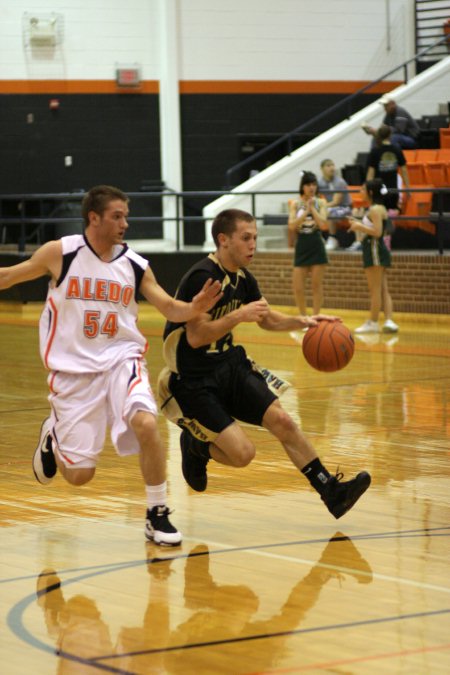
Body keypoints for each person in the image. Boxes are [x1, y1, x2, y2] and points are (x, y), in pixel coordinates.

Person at [0, 185, 223, 546]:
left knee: (146, 423)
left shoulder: (134, 265)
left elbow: (169, 308)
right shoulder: (62, 253)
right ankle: (52, 433)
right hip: (73, 372)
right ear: (94, 218)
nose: (125, 224)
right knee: (79, 476)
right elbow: (9, 276)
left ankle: (157, 514)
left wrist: (193, 309)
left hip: (122, 359)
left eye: (126, 216)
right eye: (117, 216)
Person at [157, 208, 371, 521]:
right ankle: (197, 447)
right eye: (246, 238)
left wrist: (307, 322)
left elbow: (267, 319)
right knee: (243, 454)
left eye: (255, 237)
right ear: (223, 240)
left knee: (283, 421)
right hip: (192, 379)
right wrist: (237, 316)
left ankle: (331, 491)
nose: (252, 244)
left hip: (228, 365)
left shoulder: (243, 279)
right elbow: (196, 337)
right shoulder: (203, 278)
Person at [347, 179, 399, 334]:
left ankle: (373, 322)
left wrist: (358, 226)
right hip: (375, 248)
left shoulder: (375, 209)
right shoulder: (378, 208)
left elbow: (377, 232)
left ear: (370, 192)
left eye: (362, 189)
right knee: (383, 288)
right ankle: (389, 320)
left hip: (374, 248)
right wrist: (359, 223)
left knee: (375, 289)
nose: (360, 192)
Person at [287, 171, 329, 315]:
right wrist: (305, 212)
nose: (311, 188)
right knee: (298, 287)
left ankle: (316, 316)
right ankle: (303, 316)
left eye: (314, 185)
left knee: (316, 285)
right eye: (308, 185)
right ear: (302, 187)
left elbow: (323, 225)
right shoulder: (295, 204)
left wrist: (312, 209)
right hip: (302, 244)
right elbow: (292, 226)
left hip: (316, 243)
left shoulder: (322, 202)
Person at [366, 124, 410, 213]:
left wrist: (368, 191)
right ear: (390, 135)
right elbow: (404, 171)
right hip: (393, 190)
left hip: (378, 191)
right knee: (391, 215)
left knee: (380, 217)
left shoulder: (375, 151)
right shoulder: (397, 149)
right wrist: (408, 188)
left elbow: (370, 174)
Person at [318, 159, 352, 251]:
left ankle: (333, 238)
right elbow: (314, 197)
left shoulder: (339, 182)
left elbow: (336, 202)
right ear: (322, 169)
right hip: (331, 207)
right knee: (312, 211)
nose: (332, 168)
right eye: (328, 166)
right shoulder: (319, 182)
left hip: (345, 207)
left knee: (328, 212)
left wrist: (322, 207)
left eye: (332, 165)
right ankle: (317, 237)